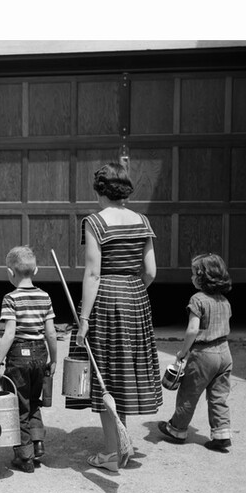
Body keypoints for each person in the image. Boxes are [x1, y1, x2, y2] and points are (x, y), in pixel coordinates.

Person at [67, 161, 163, 473]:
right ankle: (122, 443)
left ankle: (111, 453)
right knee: (125, 372)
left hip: (106, 299)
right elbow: (150, 272)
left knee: (105, 374)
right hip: (136, 298)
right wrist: (132, 288)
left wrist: (84, 318)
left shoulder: (95, 222)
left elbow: (93, 273)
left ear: (101, 191)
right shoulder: (141, 220)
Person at [0, 246, 58, 472]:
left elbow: (9, 333)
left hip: (19, 355)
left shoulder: (11, 298)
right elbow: (50, 332)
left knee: (19, 404)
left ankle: (25, 455)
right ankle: (38, 443)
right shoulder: (44, 296)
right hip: (40, 353)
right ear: (36, 270)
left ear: (10, 273)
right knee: (34, 400)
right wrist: (54, 358)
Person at [158, 253, 233, 450]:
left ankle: (177, 429)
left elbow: (192, 329)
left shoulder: (198, 300)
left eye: (193, 274)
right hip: (225, 353)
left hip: (203, 355)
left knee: (189, 393)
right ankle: (221, 432)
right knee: (218, 395)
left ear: (202, 276)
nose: (191, 278)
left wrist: (183, 351)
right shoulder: (225, 301)